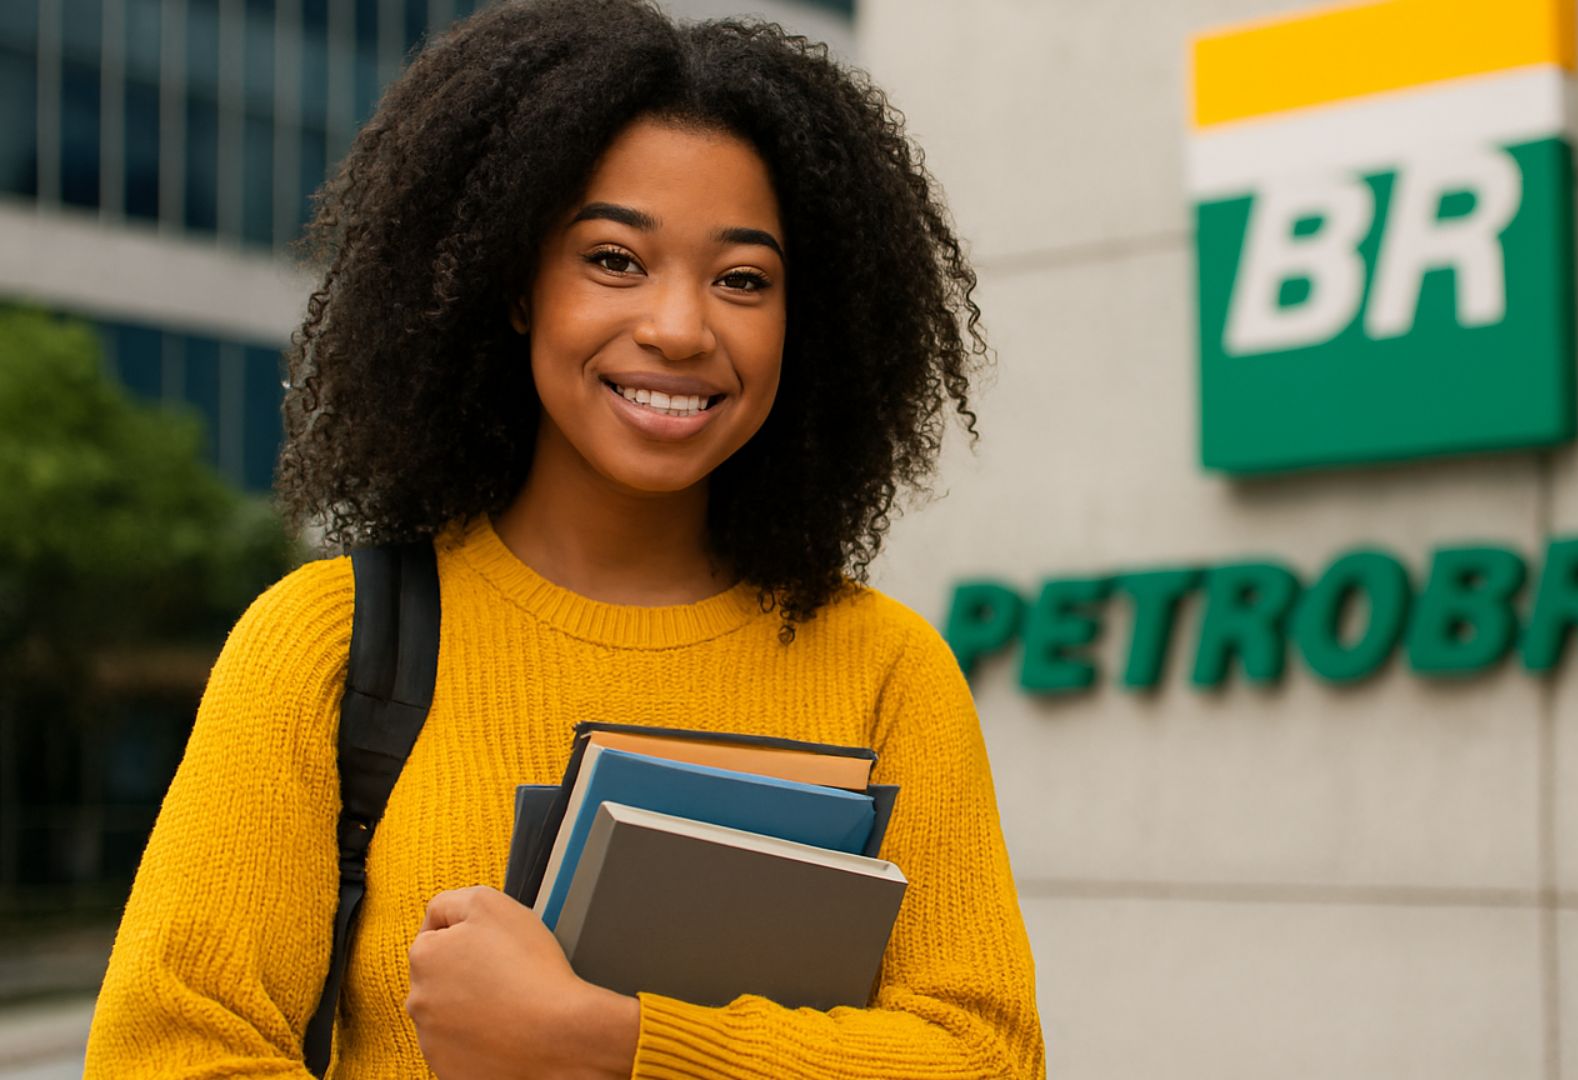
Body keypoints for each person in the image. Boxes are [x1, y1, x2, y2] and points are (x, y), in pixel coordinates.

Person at [83, 1, 1045, 1076]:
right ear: (513, 285)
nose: (680, 327)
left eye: (743, 279)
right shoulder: (328, 644)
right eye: (614, 259)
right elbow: (167, 1051)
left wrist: (605, 1040)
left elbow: (988, 1056)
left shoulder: (889, 671)